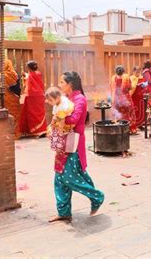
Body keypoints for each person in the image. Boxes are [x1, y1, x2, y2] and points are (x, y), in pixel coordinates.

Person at [49, 71, 104, 223]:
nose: (59, 85)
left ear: (70, 84)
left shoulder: (80, 99)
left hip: (73, 143)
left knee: (68, 177)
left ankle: (97, 196)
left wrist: (58, 116)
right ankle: (64, 212)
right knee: (60, 178)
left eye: (62, 82)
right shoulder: (66, 99)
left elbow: (73, 120)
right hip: (62, 141)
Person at [45, 87, 75, 174]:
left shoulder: (63, 106)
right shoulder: (58, 102)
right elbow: (55, 117)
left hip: (65, 127)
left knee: (61, 148)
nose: (49, 102)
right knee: (51, 130)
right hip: (60, 122)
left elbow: (61, 121)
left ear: (57, 97)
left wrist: (60, 133)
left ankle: (61, 167)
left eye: (50, 100)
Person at [18, 60, 47, 138]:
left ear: (29, 68)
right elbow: (33, 76)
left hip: (32, 98)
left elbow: (28, 87)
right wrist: (26, 75)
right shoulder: (38, 73)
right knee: (40, 114)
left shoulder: (30, 76)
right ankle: (43, 130)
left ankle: (37, 132)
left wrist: (25, 76)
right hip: (40, 96)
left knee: (33, 114)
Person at [110, 65, 138, 134]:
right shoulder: (126, 77)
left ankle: (119, 130)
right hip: (126, 100)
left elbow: (111, 88)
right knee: (130, 114)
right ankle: (131, 130)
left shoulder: (113, 78)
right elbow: (130, 87)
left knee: (118, 115)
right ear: (123, 71)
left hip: (116, 100)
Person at [2, 59, 21, 138]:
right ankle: (16, 134)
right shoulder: (15, 74)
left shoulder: (2, 75)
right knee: (16, 115)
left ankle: (9, 134)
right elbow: (19, 86)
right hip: (15, 98)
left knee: (8, 115)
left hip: (6, 98)